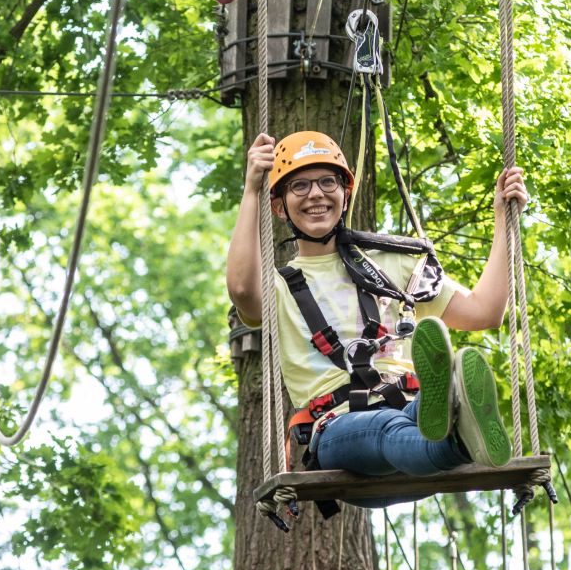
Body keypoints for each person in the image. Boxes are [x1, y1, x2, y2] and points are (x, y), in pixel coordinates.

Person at [226, 130, 528, 508]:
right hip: (342, 435)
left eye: (327, 182)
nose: (316, 194)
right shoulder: (278, 287)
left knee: (416, 416)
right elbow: (240, 290)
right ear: (279, 206)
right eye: (299, 186)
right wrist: (252, 189)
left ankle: (451, 415)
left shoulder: (391, 265)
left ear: (345, 193)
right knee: (387, 428)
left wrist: (504, 218)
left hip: (411, 412)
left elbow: (484, 312)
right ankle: (462, 440)